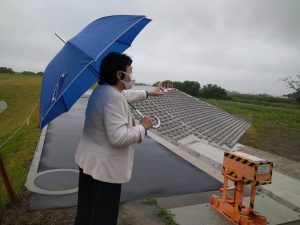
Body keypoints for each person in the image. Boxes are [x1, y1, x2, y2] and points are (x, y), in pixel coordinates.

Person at [74, 52, 164, 225]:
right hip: (105, 171)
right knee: (103, 216)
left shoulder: (101, 91)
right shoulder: (114, 98)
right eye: (130, 71)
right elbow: (119, 138)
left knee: (87, 210)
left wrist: (149, 92)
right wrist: (142, 127)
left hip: (89, 162)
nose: (132, 76)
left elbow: (125, 96)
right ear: (118, 74)